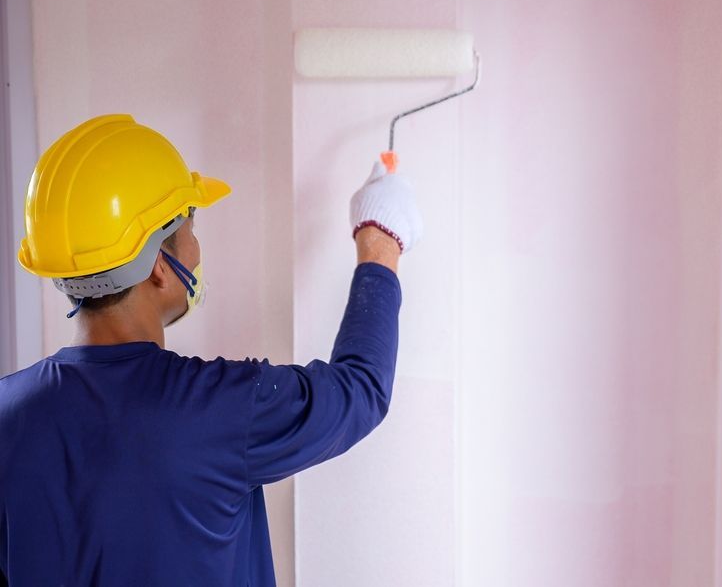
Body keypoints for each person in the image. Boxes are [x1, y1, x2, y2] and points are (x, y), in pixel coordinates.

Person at [0, 114, 423, 586]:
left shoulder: (6, 412)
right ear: (160, 264)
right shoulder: (219, 407)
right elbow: (361, 389)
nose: (197, 251)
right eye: (191, 230)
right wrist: (380, 240)